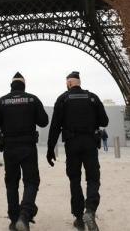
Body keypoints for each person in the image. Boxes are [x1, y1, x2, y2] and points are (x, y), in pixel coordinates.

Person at [47, 71, 109, 231]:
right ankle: (90, 210)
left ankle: (79, 218)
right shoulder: (92, 97)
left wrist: (50, 148)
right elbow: (104, 121)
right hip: (90, 142)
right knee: (93, 178)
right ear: (79, 82)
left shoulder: (63, 99)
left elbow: (55, 127)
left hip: (72, 144)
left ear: (68, 83)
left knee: (74, 180)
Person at [0, 72, 49, 231]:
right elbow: (43, 122)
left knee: (11, 183)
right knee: (31, 181)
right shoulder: (32, 99)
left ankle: (14, 219)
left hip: (9, 148)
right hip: (28, 147)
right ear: (24, 86)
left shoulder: (1, 101)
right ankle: (25, 214)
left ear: (11, 86)